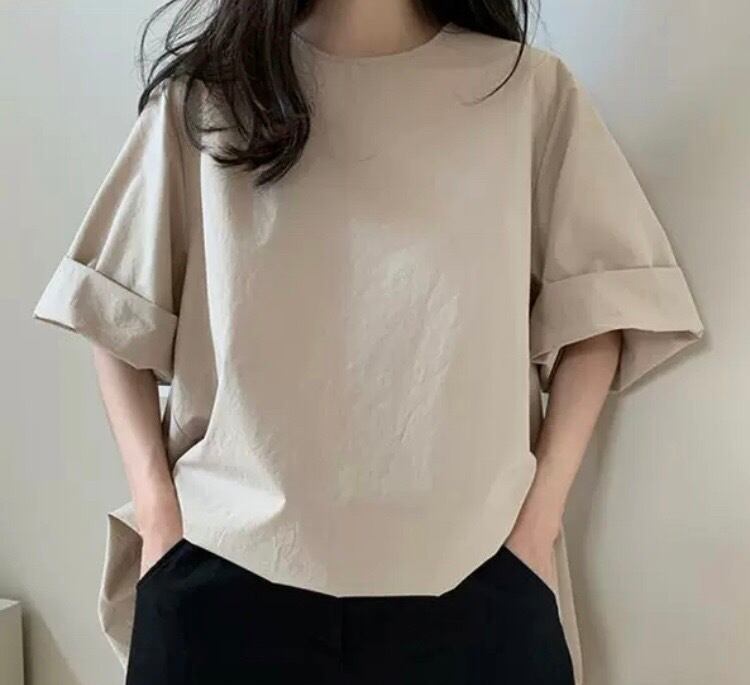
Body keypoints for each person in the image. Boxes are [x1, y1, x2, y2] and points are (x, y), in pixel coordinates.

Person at [31, 1, 705, 683]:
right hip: (224, 578)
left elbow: (602, 311)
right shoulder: (210, 100)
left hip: (476, 586)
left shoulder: (527, 92)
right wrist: (158, 520)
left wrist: (536, 528)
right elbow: (113, 312)